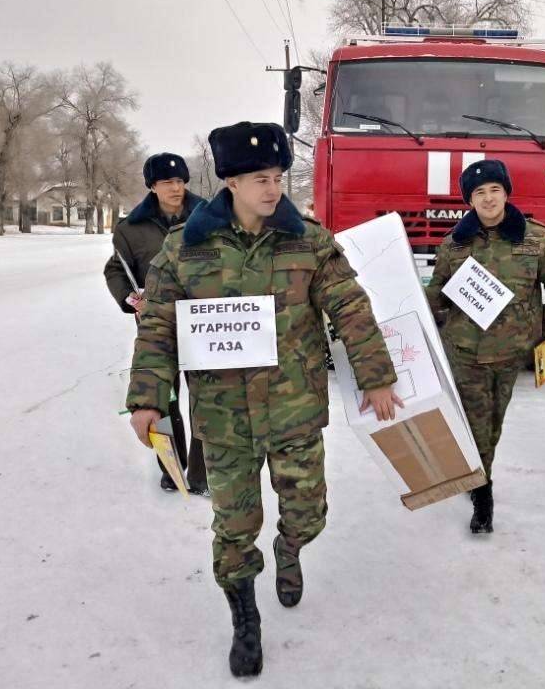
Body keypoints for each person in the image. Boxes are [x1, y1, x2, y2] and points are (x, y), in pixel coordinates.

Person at [125, 122, 401, 678]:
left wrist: (376, 375)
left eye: (277, 177)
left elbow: (350, 307)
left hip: (294, 409)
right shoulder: (185, 251)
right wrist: (148, 399)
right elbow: (157, 329)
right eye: (259, 179)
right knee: (233, 527)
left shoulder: (310, 241)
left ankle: (291, 549)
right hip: (223, 420)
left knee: (309, 512)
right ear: (229, 182)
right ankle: (245, 617)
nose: (273, 189)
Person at [426, 159, 545, 534]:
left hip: (511, 351)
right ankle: (483, 493)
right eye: (479, 193)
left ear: (506, 193)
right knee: (477, 423)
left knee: (494, 422)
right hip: (465, 351)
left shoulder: (536, 238)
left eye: (494, 190)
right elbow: (437, 293)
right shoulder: (454, 244)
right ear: (470, 201)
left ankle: (479, 471)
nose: (488, 198)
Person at [104, 152, 208, 494]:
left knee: (205, 396)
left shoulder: (208, 216)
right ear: (152, 186)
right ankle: (171, 467)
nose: (176, 188)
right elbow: (116, 269)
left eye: (180, 181)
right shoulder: (130, 228)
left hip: (201, 322)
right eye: (167, 182)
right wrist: (131, 299)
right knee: (162, 398)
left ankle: (202, 472)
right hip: (157, 325)